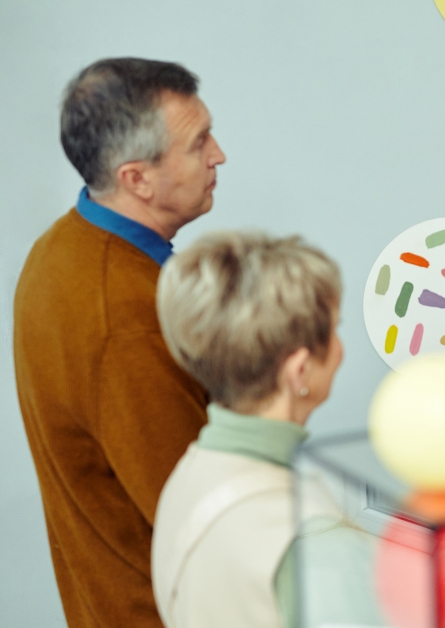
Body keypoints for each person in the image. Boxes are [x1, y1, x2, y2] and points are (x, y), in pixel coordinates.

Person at [12, 58, 225, 628]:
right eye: (199, 141)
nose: (218, 155)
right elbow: (201, 521)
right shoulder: (128, 320)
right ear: (138, 178)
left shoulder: (59, 249)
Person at [151, 231, 381, 628]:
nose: (341, 347)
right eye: (335, 329)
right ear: (300, 371)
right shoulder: (316, 542)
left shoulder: (189, 475)